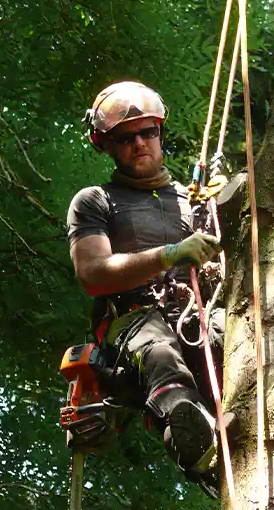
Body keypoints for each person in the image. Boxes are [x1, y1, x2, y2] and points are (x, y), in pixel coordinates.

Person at [66, 81, 233, 488]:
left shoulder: (197, 201)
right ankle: (189, 430)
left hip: (202, 313)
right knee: (158, 353)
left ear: (160, 133)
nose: (139, 143)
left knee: (235, 337)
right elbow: (93, 272)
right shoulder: (95, 201)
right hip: (136, 319)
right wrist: (170, 255)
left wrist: (227, 199)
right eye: (125, 137)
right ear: (105, 144)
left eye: (148, 132)